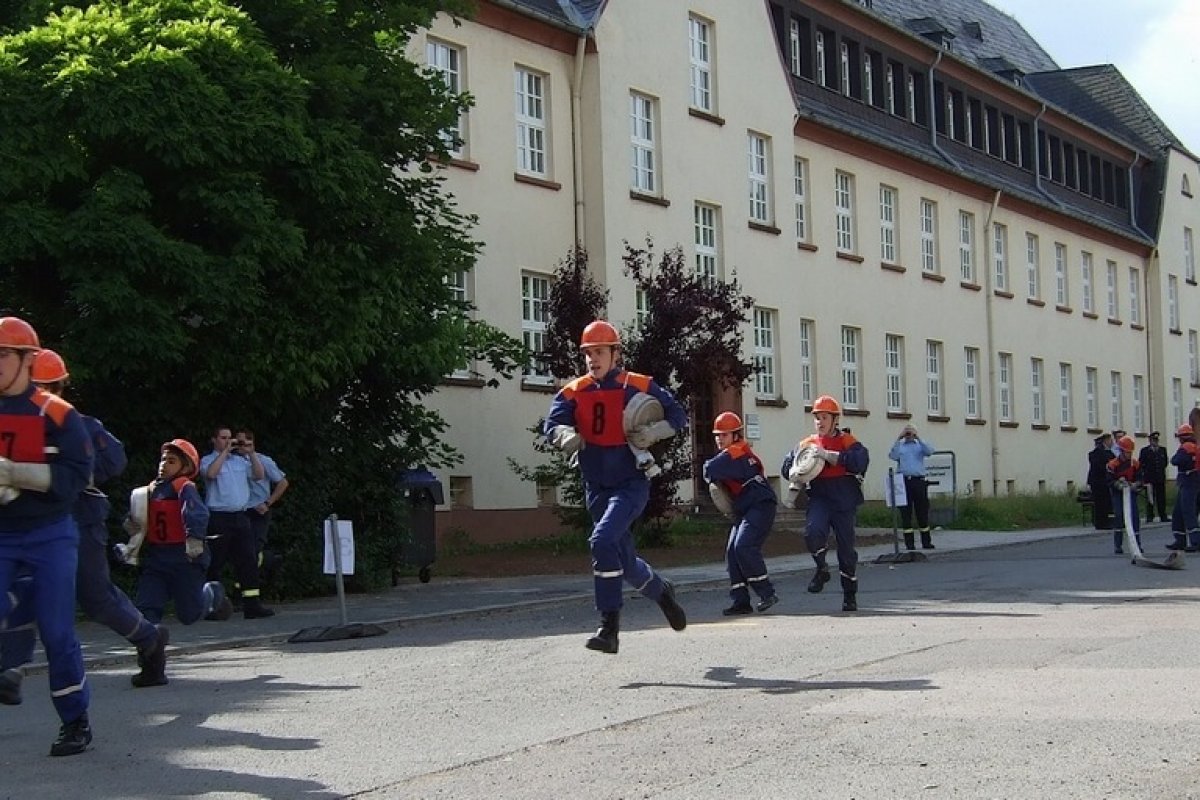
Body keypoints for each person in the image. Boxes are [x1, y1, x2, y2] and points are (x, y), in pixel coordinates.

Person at [0, 349, 168, 699]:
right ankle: (11, 669)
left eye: (47, 386)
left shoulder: (78, 424)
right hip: (23, 524)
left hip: (80, 519)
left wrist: (67, 475)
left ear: (59, 388)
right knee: (20, 587)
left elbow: (115, 459)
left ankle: (149, 637)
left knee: (96, 598)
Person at [543, 320, 688, 654]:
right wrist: (564, 435)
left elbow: (677, 415)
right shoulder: (574, 391)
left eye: (599, 352)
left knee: (602, 540)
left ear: (615, 354)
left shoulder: (638, 384)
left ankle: (609, 628)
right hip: (596, 486)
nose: (593, 359)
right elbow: (551, 424)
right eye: (588, 353)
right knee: (624, 560)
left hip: (630, 483)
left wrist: (655, 432)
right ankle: (662, 591)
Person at [0, 318, 94, 756]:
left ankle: (75, 720)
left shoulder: (58, 414)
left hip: (50, 533)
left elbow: (77, 476)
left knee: (57, 632)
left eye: (3, 355)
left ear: (27, 360)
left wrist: (18, 474)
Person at [125, 439, 233, 685]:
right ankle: (151, 666)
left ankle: (213, 593)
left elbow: (196, 513)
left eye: (171, 461)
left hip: (184, 559)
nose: (164, 464)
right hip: (156, 559)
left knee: (189, 614)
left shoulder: (184, 487)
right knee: (146, 610)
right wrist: (130, 533)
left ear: (186, 467)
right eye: (163, 459)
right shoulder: (149, 490)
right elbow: (137, 520)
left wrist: (194, 540)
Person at [780, 394, 870, 612]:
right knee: (813, 532)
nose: (820, 422)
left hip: (843, 497)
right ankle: (822, 568)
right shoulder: (807, 443)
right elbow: (787, 466)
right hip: (819, 496)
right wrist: (792, 470)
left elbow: (860, 461)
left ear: (835, 420)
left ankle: (849, 594)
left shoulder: (847, 441)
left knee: (846, 549)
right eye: (817, 418)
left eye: (824, 418)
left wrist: (830, 455)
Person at [703, 412, 778, 615]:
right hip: (747, 506)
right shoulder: (740, 452)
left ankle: (767, 593)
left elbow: (709, 469)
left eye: (724, 435)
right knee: (732, 551)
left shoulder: (735, 452)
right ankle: (741, 601)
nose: (719, 439)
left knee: (744, 546)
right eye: (717, 435)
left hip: (760, 505)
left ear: (736, 436)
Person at [201, 427, 274, 619]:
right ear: (214, 440)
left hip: (241, 516)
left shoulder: (240, 461)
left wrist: (251, 453)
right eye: (223, 438)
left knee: (248, 560)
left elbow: (259, 475)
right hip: (219, 517)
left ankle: (252, 605)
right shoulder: (208, 460)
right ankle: (213, 607)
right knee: (215, 563)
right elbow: (211, 474)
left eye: (229, 438)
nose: (228, 441)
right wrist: (225, 452)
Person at [235, 428, 289, 581]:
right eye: (237, 442)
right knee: (241, 549)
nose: (239, 446)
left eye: (242, 442)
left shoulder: (263, 460)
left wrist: (268, 503)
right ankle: (247, 580)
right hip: (240, 510)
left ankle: (256, 573)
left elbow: (283, 483)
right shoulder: (232, 461)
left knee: (253, 549)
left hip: (259, 509)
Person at [888, 423, 936, 550]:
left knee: (922, 512)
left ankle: (926, 542)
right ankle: (909, 544)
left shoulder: (920, 445)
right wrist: (899, 438)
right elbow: (893, 455)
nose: (908, 434)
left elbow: (930, 451)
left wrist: (918, 437)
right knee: (906, 513)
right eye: (907, 432)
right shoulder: (901, 446)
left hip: (918, 481)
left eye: (910, 431)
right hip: (904, 481)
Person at [1106, 435, 1144, 555]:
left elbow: (1140, 479)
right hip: (1118, 494)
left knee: (1134, 517)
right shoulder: (1112, 464)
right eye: (1127, 452)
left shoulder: (1135, 464)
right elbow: (1109, 481)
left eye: (1130, 452)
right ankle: (1118, 545)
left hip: (1131, 493)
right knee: (1119, 516)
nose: (1129, 455)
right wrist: (1118, 484)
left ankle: (1137, 544)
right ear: (1121, 451)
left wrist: (1135, 485)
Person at [1166, 424, 1199, 552]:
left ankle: (1196, 541)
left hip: (1188, 483)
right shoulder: (1196, 446)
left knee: (1187, 512)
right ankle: (1180, 540)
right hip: (1193, 482)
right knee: (1178, 513)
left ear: (1182, 437)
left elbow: (1175, 460)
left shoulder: (1185, 447)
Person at [1138, 432, 1169, 524]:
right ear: (1150, 440)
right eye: (1153, 440)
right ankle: (1150, 516)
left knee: (1161, 498)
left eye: (1156, 440)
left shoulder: (1162, 450)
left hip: (1160, 478)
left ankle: (1163, 515)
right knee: (1150, 498)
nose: (1155, 442)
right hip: (1149, 478)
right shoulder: (1145, 451)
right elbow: (1141, 464)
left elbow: (1165, 463)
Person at [1086, 434, 1114, 532]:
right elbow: (1099, 467)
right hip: (1099, 482)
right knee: (1101, 503)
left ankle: (1106, 521)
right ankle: (1101, 523)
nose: (1111, 442)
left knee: (1106, 503)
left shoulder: (1109, 452)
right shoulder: (1097, 453)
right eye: (1110, 440)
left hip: (1104, 481)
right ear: (1105, 441)